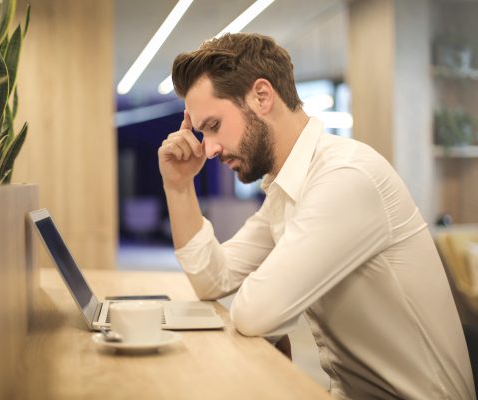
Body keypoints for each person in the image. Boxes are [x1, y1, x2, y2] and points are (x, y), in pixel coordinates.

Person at [157, 32, 475, 399]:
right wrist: (179, 187)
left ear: (262, 97)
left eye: (213, 126)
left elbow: (255, 313)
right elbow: (213, 279)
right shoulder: (286, 187)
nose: (208, 148)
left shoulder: (346, 177)